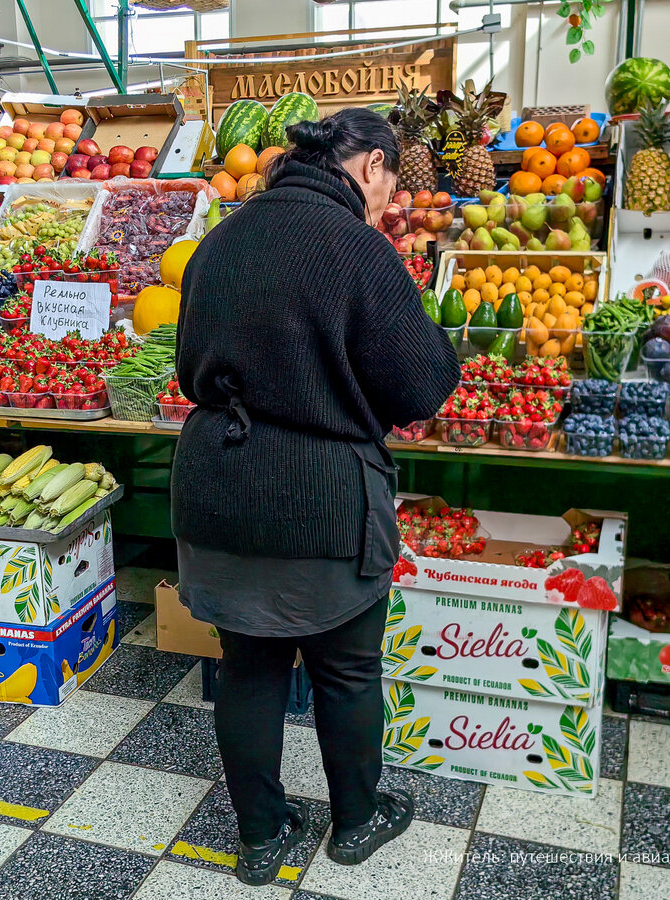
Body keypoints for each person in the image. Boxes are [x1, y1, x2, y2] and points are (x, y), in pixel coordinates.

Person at [171, 108, 459, 885]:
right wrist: (441, 339)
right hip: (322, 498)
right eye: (391, 182)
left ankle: (262, 839)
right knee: (347, 671)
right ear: (369, 167)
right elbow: (419, 387)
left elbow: (185, 362)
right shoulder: (358, 249)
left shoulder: (216, 242)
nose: (389, 200)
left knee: (249, 668)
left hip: (218, 483)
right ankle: (357, 824)